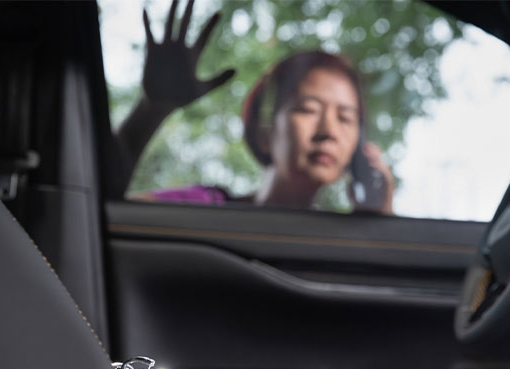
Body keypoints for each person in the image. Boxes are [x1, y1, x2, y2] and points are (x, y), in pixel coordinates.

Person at [116, 0, 394, 214]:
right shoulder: (203, 207)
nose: (329, 131)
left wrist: (378, 220)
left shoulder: (344, 241)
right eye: (308, 109)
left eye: (345, 118)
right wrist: (151, 111)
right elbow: (91, 217)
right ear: (265, 132)